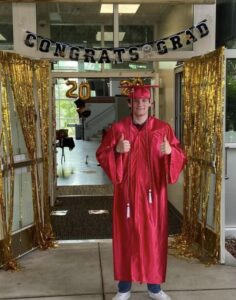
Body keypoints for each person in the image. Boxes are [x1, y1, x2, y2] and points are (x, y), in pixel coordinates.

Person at [96, 85, 186, 300]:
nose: (140, 104)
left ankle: (154, 288)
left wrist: (170, 152)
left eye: (144, 101)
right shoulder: (118, 129)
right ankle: (124, 288)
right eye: (136, 101)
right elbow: (102, 153)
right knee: (126, 237)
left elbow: (180, 155)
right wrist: (116, 152)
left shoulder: (162, 129)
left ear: (150, 104)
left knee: (153, 237)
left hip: (153, 194)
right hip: (126, 194)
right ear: (129, 104)